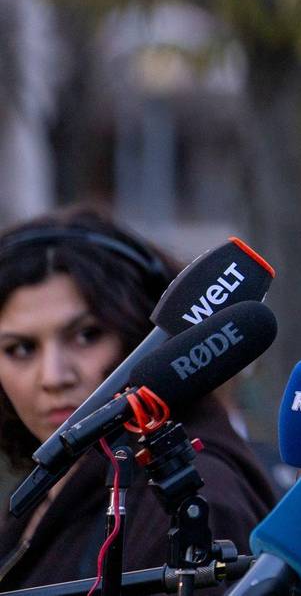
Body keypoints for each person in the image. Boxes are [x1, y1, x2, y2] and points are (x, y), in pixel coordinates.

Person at [0, 208, 276, 590]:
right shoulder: (57, 488)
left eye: (87, 335)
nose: (53, 377)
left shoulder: (195, 499)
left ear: (143, 336)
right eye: (20, 349)